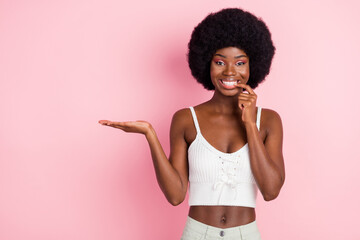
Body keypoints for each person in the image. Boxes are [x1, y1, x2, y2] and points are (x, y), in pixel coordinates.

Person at [99, 8, 285, 240]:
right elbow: (176, 196)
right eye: (219, 62)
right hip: (197, 234)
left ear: (253, 66)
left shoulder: (268, 121)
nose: (229, 71)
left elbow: (270, 191)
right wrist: (149, 134)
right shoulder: (186, 119)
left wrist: (249, 123)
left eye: (239, 63)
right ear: (206, 64)